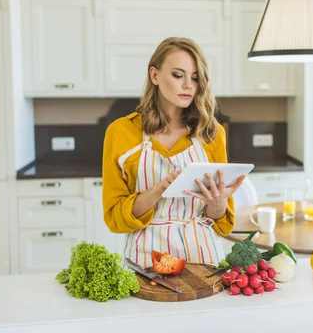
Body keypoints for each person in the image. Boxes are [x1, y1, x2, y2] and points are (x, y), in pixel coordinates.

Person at [102, 37, 245, 268]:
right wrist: (159, 190)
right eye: (178, 75)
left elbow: (220, 219)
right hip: (146, 260)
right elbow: (115, 217)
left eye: (195, 78)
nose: (188, 85)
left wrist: (218, 202)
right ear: (155, 75)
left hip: (204, 258)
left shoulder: (211, 132)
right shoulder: (121, 132)